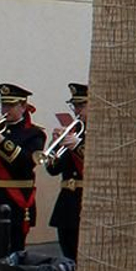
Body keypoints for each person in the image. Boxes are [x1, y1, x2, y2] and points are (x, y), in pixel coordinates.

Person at [0, 83, 46, 270]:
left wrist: (1, 141)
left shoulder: (34, 133)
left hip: (15, 203)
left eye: (10, 106)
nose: (5, 110)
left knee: (13, 259)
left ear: (23, 107)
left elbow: (26, 163)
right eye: (3, 105)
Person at [44, 83, 88, 260]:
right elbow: (53, 169)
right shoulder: (73, 131)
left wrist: (77, 146)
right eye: (75, 106)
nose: (77, 110)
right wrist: (54, 146)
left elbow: (101, 164)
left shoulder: (103, 133)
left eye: (82, 105)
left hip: (89, 202)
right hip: (67, 207)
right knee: (70, 258)